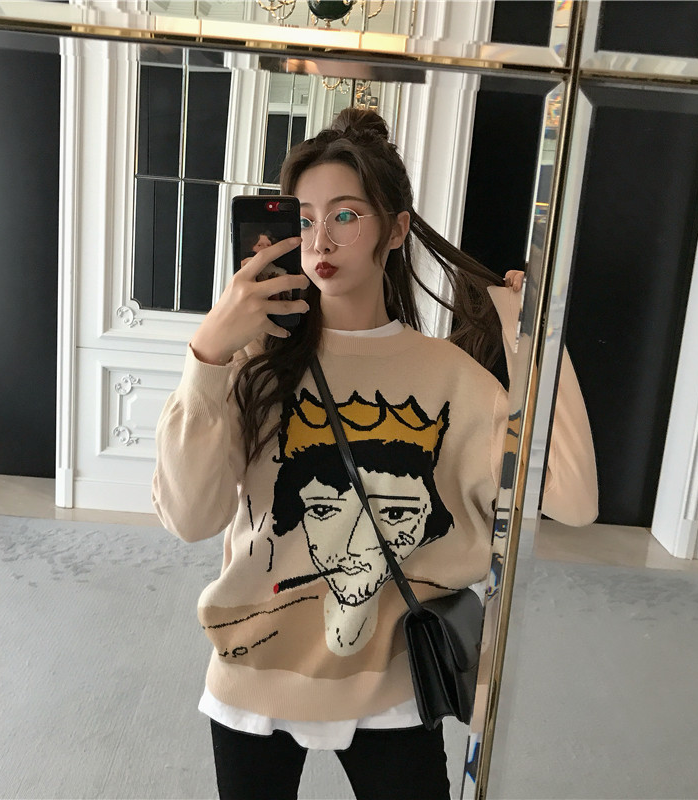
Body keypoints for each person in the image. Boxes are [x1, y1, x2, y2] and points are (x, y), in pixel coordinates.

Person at [152, 108, 597, 800]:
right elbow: (189, 518)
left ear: (395, 229)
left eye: (346, 215)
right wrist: (208, 352)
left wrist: (534, 338)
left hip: (392, 682)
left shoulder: (451, 380)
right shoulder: (253, 366)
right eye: (303, 219)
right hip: (254, 671)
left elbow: (573, 500)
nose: (319, 240)